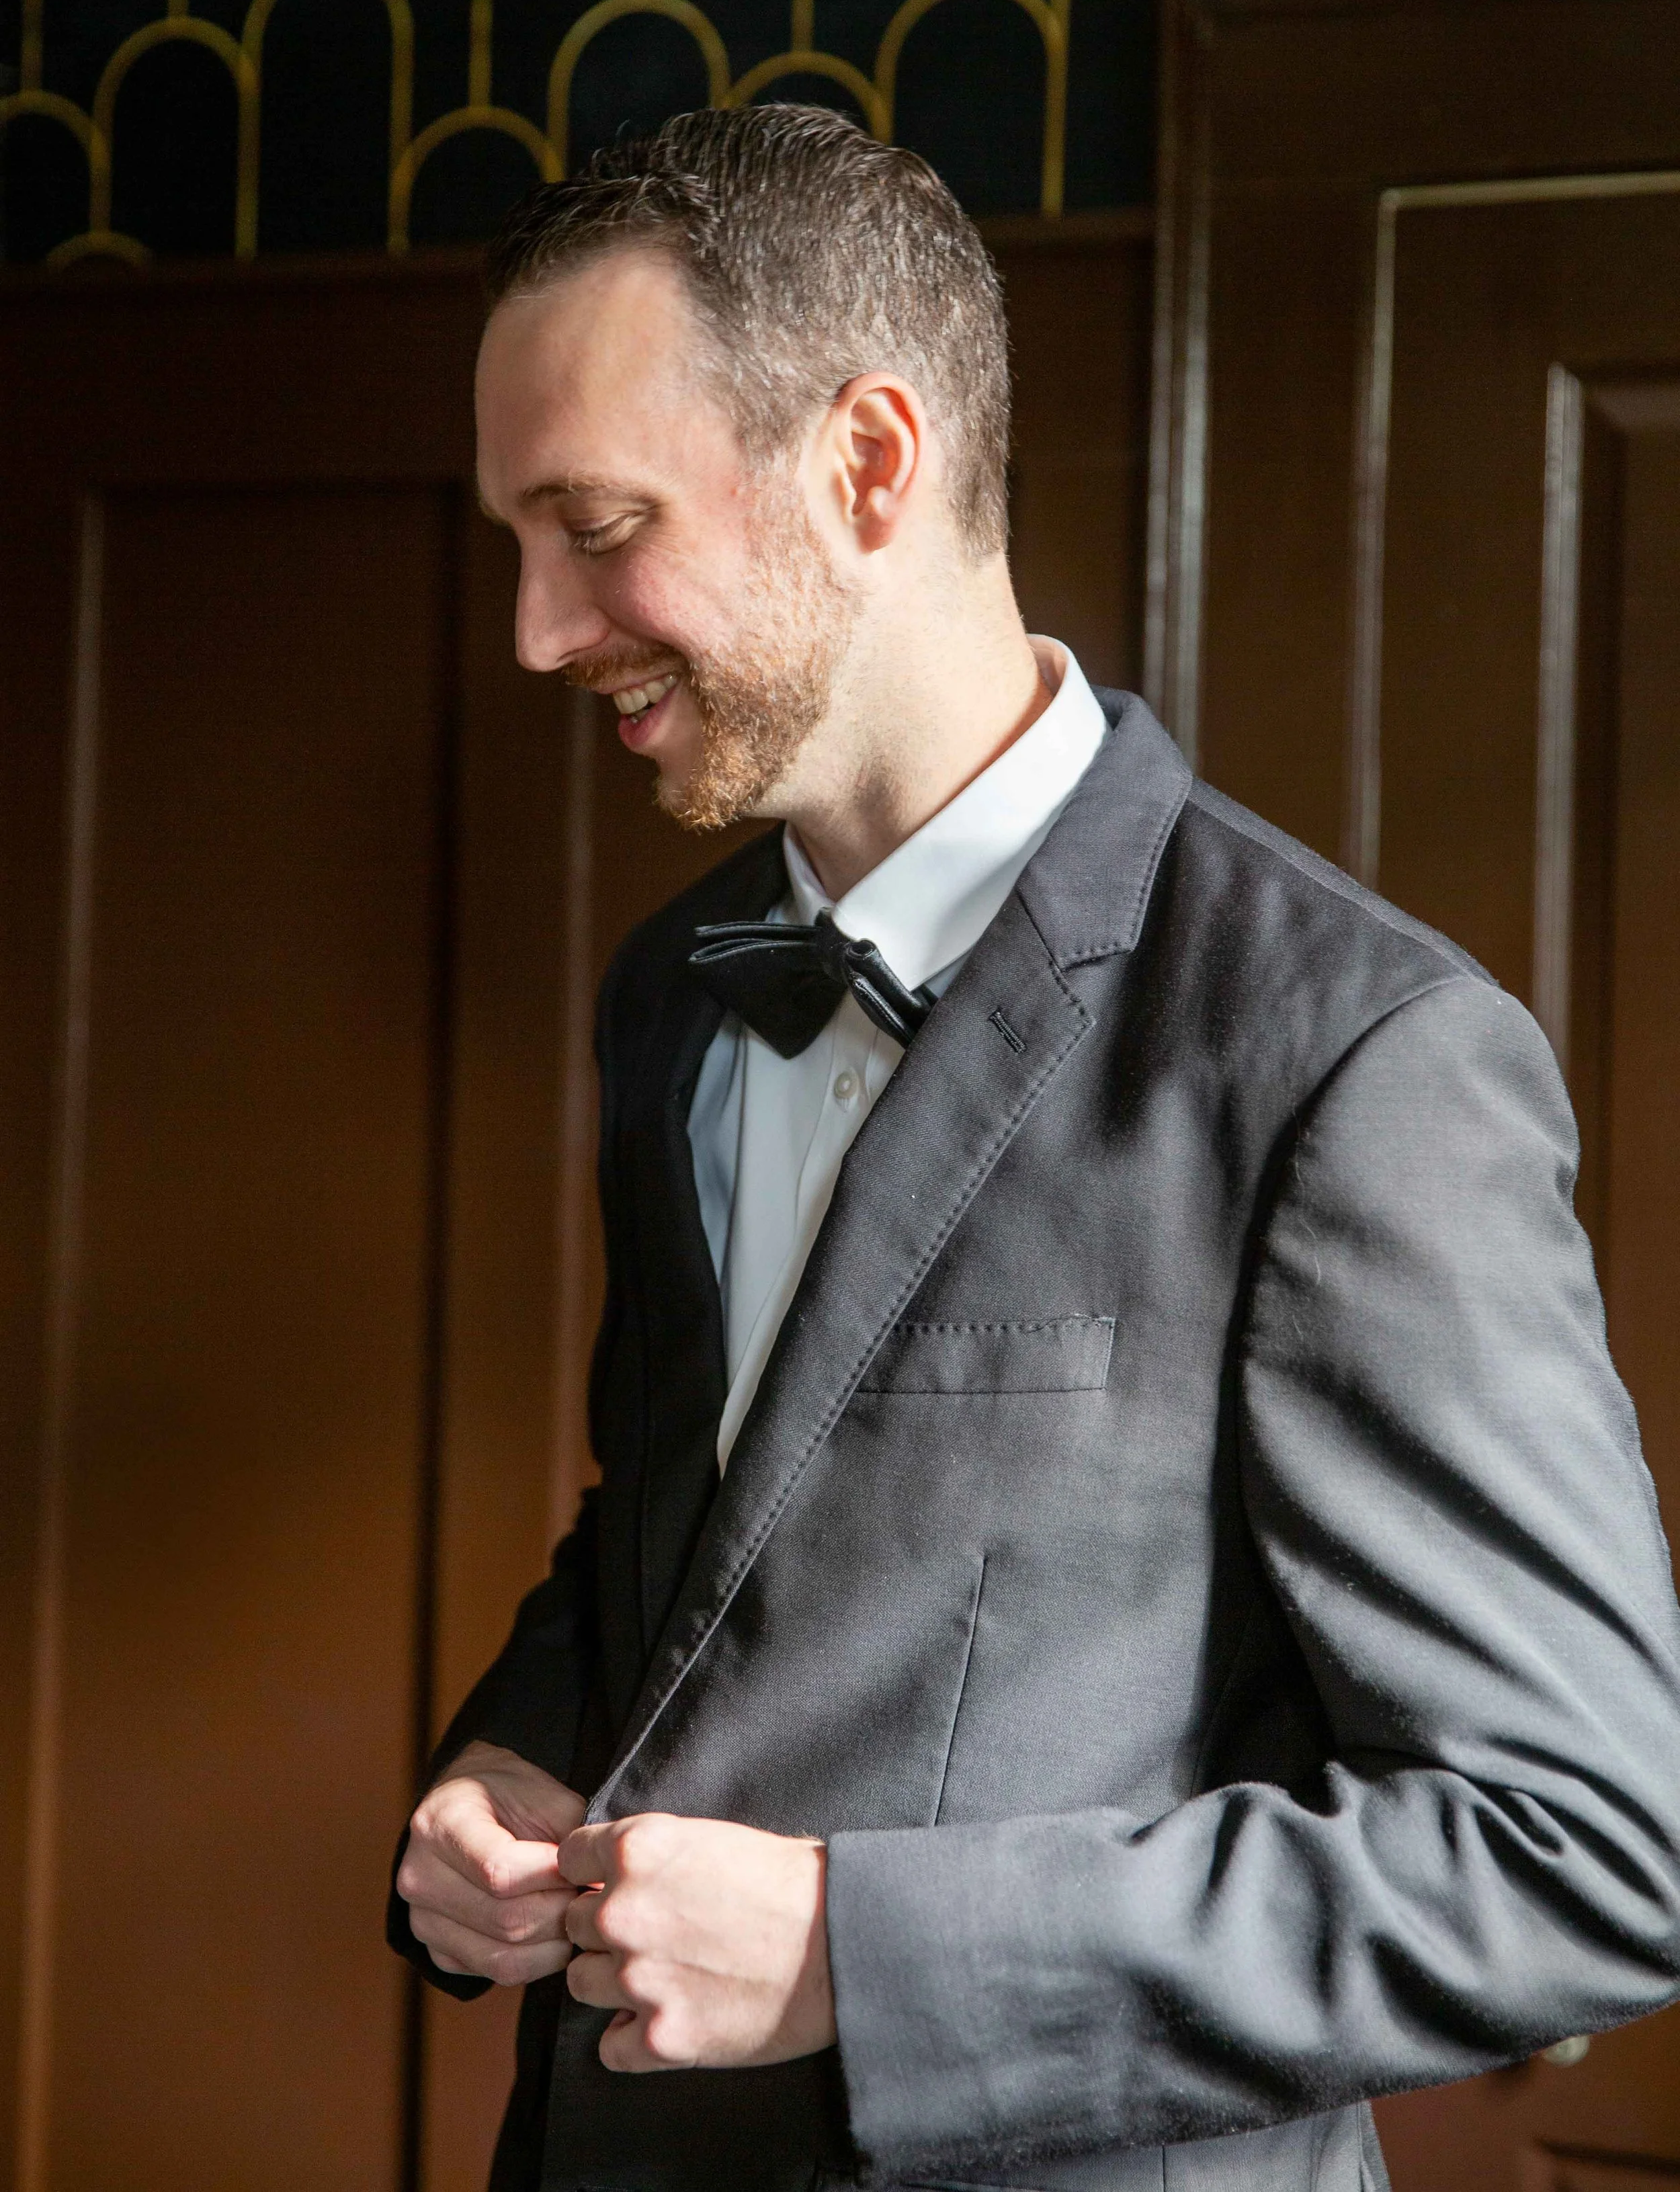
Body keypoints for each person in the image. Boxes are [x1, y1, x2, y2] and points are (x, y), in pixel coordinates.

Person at [388, 106, 1680, 2192]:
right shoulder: (673, 988)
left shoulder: (1357, 1052)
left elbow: (1577, 1857)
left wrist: (857, 1957)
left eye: (595, 524)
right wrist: (515, 1752)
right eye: (514, 546)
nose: (538, 630)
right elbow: (688, 1532)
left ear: (869, 463)